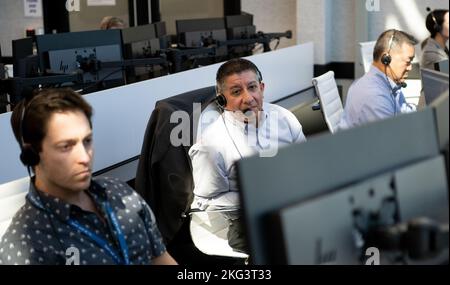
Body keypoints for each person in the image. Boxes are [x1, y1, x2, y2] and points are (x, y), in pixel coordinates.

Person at [0, 88, 177, 265]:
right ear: (32, 153)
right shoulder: (26, 247)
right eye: (66, 146)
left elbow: (161, 259)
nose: (84, 157)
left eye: (87, 141)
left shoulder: (121, 193)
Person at [189, 58, 307, 253]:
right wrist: (256, 199)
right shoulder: (212, 144)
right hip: (251, 221)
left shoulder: (285, 118)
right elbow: (206, 199)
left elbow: (306, 163)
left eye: (252, 87)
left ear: (261, 88)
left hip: (296, 205)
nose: (249, 97)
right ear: (221, 99)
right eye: (236, 92)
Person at [339, 29, 417, 130]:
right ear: (386, 59)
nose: (410, 68)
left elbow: (404, 110)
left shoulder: (389, 84)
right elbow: (392, 141)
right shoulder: (375, 96)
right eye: (408, 61)